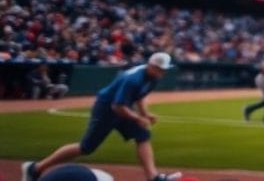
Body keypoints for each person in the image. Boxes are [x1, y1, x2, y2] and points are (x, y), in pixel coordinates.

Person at [23, 52, 181, 181]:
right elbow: (117, 107)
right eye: (160, 69)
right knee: (86, 147)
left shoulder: (152, 77)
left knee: (143, 135)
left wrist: (145, 114)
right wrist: (138, 118)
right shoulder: (132, 79)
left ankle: (153, 177)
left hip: (121, 108)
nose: (163, 72)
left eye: (164, 69)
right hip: (106, 109)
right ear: (151, 66)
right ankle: (35, 168)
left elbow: (139, 96)